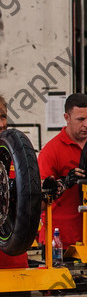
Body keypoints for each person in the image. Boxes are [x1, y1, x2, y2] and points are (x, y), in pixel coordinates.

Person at [38, 93, 87, 247]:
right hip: (61, 243)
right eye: (80, 119)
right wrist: (64, 183)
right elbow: (37, 203)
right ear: (66, 117)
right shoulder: (50, 151)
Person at [0, 94, 29, 269]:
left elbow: (32, 205)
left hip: (15, 262)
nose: (2, 124)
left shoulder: (17, 157)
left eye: (3, 117)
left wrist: (44, 192)